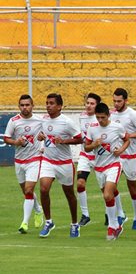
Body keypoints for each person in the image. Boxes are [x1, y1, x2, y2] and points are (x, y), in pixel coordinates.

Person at [37, 93, 83, 238]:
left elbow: (80, 139)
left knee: (69, 193)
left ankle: (74, 224)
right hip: (48, 161)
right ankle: (48, 221)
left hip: (64, 163)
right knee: (44, 189)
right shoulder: (44, 120)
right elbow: (43, 134)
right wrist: (40, 137)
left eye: (51, 103)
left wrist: (63, 141)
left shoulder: (67, 122)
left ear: (59, 106)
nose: (48, 106)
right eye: (47, 103)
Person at [84, 103, 130, 240]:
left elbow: (127, 140)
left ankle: (112, 225)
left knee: (107, 195)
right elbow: (86, 148)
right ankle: (117, 224)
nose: (100, 120)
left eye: (102, 117)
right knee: (109, 195)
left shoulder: (116, 127)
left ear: (108, 115)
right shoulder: (92, 129)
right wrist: (93, 145)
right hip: (99, 167)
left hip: (114, 165)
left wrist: (121, 150)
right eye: (98, 117)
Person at [4, 95, 44, 233]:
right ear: (19, 106)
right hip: (19, 161)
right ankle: (38, 209)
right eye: (22, 105)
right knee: (26, 192)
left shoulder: (40, 120)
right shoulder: (14, 121)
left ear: (33, 105)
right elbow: (7, 138)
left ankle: (24, 223)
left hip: (34, 159)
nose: (24, 107)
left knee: (28, 190)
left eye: (27, 105)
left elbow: (48, 132)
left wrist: (43, 140)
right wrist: (16, 142)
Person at [111, 88, 136, 230]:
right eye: (114, 101)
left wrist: (129, 136)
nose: (116, 104)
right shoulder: (112, 115)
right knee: (111, 185)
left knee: (132, 188)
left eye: (119, 101)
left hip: (130, 157)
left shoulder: (133, 115)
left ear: (126, 100)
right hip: (116, 157)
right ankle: (120, 213)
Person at [76, 93, 101, 227]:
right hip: (85, 155)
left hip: (100, 157)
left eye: (92, 103)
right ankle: (85, 215)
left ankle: (115, 214)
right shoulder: (82, 116)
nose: (89, 106)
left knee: (107, 189)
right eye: (87, 103)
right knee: (80, 183)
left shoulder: (102, 119)